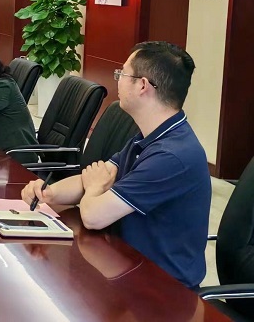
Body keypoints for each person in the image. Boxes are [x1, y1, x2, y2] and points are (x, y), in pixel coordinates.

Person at [20, 41, 208, 289]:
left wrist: (95, 188)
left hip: (162, 288)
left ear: (142, 85)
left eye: (122, 74)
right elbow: (97, 175)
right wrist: (49, 193)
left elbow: (93, 216)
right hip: (126, 263)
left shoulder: (171, 156)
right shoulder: (150, 135)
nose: (117, 80)